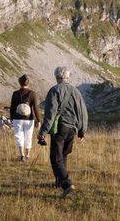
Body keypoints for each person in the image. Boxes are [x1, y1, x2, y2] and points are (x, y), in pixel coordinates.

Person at [37, 65, 88, 199]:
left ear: (56, 77)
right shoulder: (76, 92)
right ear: (68, 76)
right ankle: (59, 183)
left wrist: (43, 131)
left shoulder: (54, 90)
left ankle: (67, 185)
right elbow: (83, 112)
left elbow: (51, 113)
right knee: (63, 155)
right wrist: (82, 131)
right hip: (73, 129)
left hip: (60, 127)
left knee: (56, 158)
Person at [10, 74, 41, 162]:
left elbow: (12, 107)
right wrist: (39, 120)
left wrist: (11, 117)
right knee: (28, 137)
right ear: (28, 83)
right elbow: (35, 108)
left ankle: (22, 155)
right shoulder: (32, 93)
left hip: (17, 118)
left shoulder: (15, 93)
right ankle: (28, 155)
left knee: (19, 137)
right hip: (29, 119)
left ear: (19, 83)